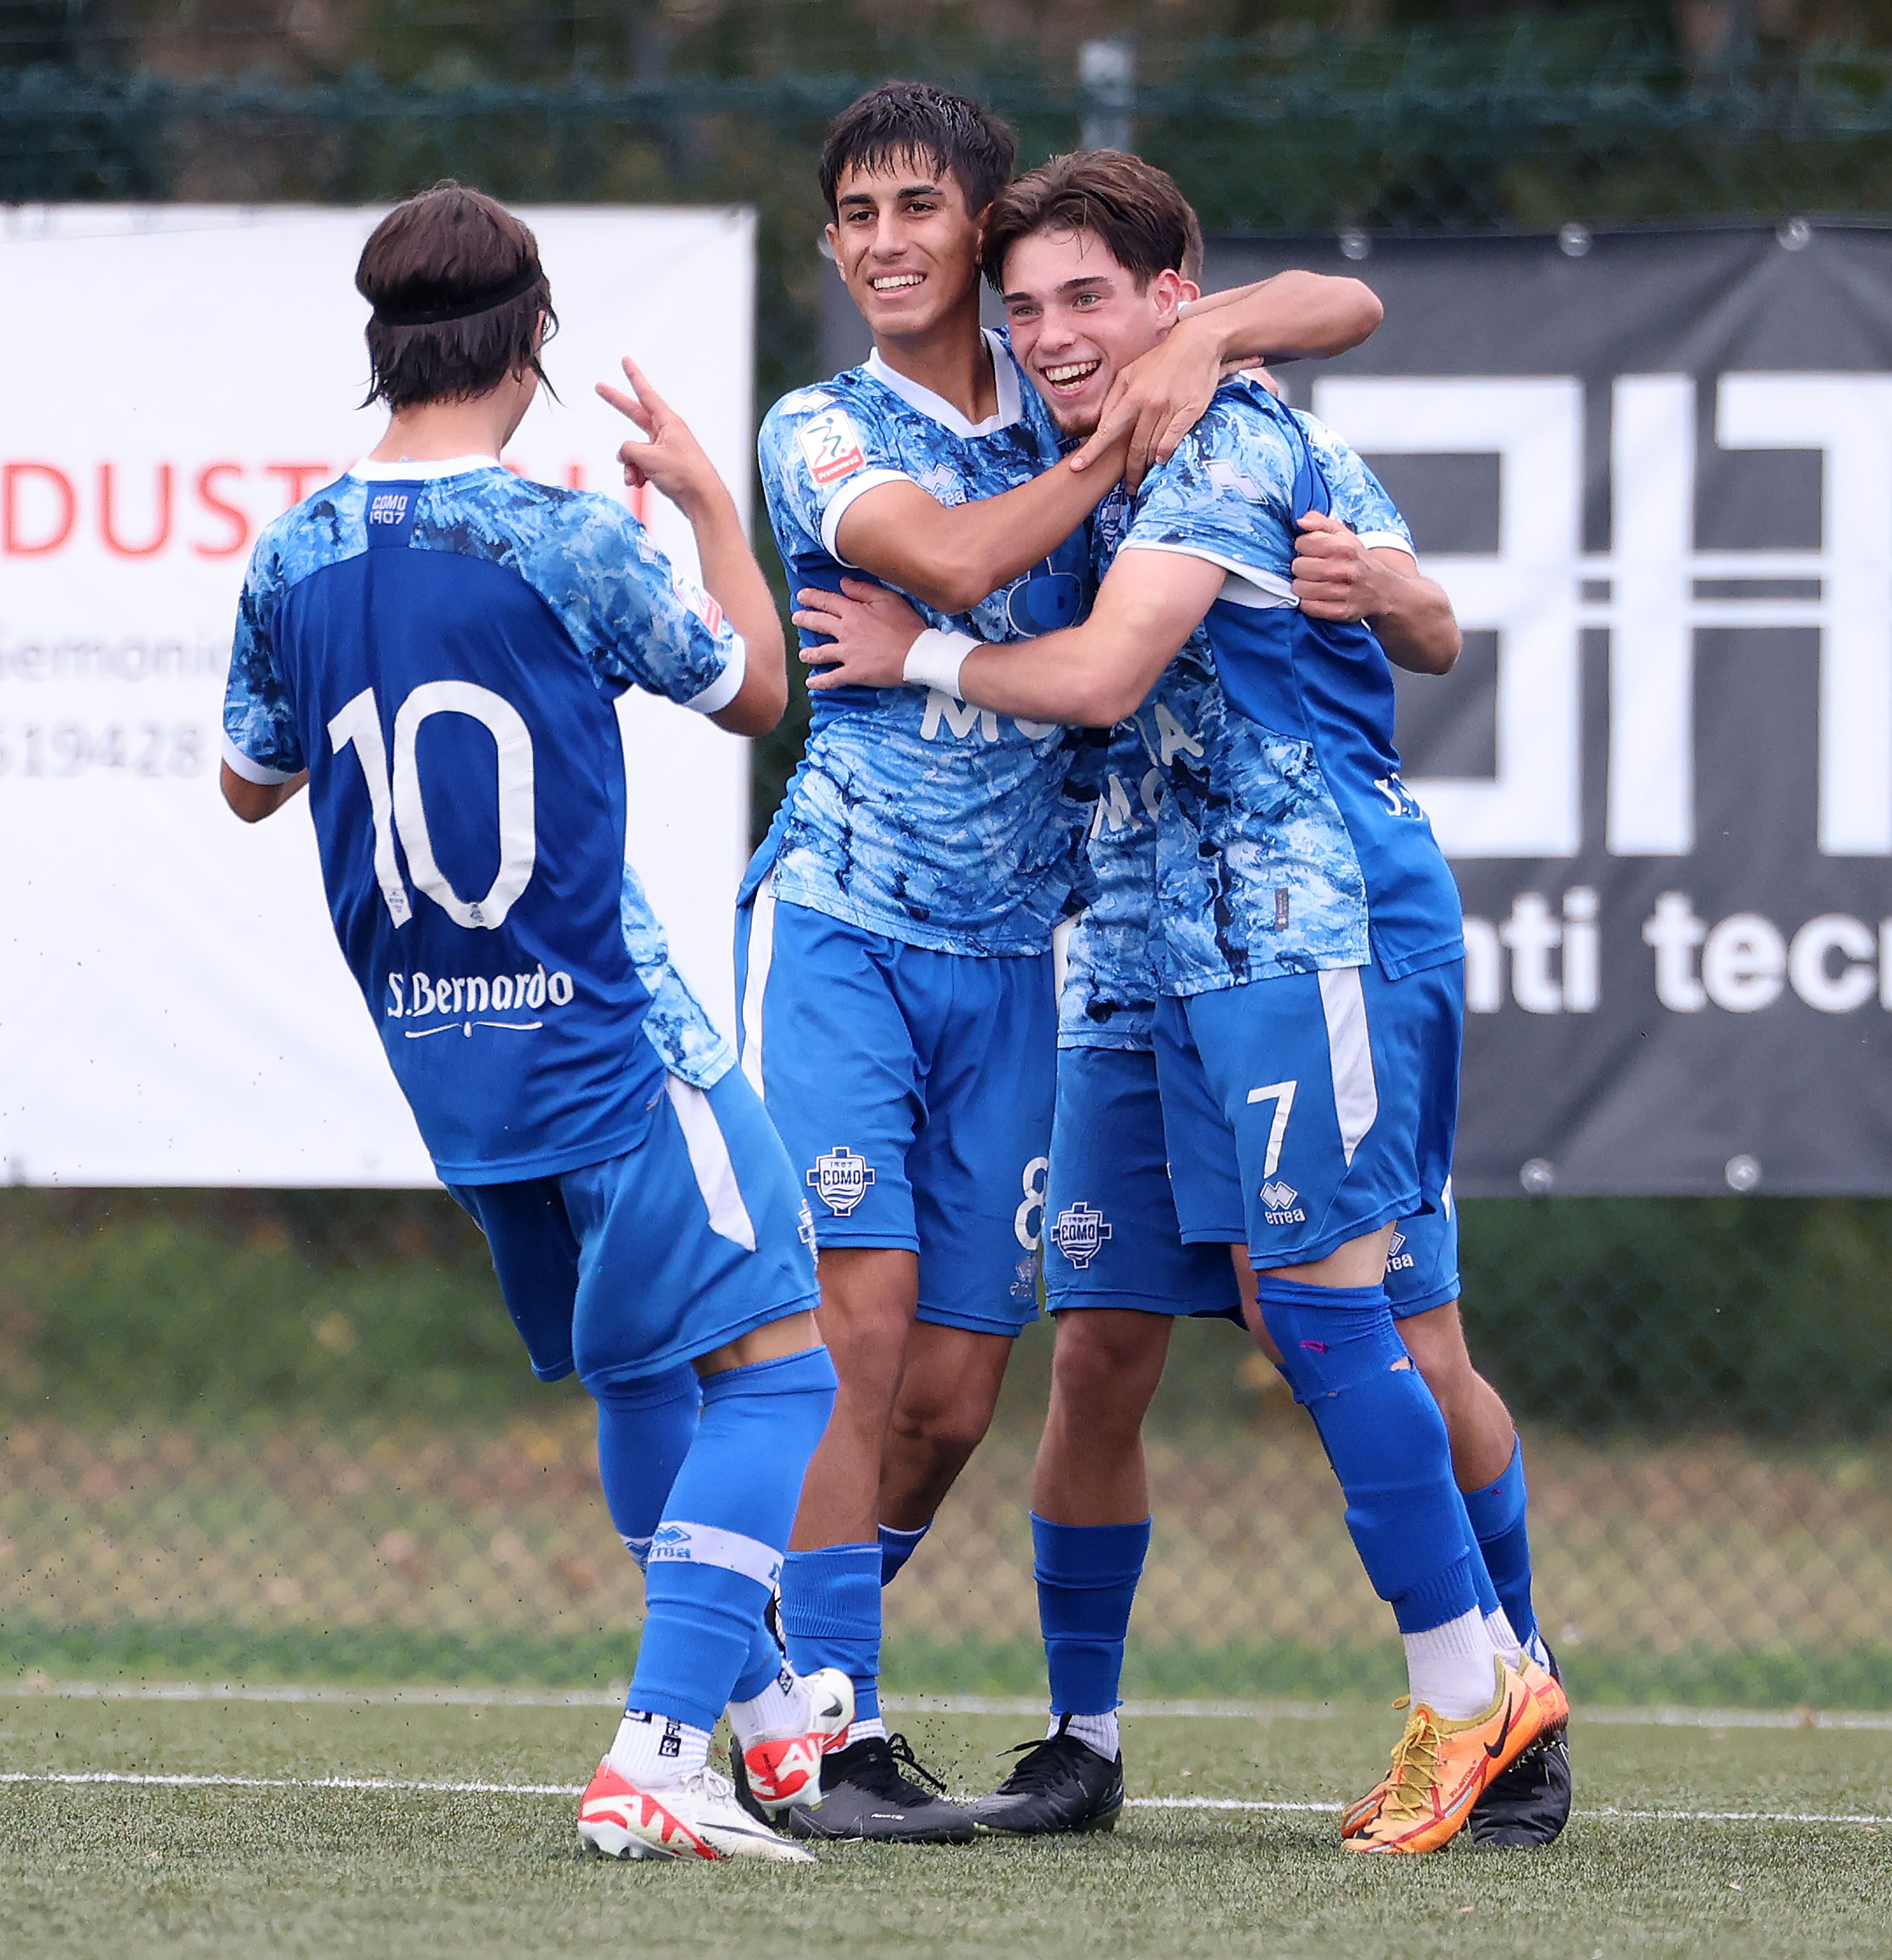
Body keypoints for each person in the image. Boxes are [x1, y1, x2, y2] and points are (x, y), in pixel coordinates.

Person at [792, 150, 1570, 1856]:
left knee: (1364, 1333)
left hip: (1308, 922)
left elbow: (1111, 674)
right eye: (1029, 307)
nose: (1056, 333)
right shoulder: (1071, 437)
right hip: (1133, 956)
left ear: (1174, 294)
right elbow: (1383, 564)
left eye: (1091, 299)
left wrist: (910, 653)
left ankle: (1491, 1690)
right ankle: (1085, 1742)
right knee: (1100, 1354)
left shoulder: (1227, 421)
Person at [737, 81, 1385, 1842]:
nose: (883, 243)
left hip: (1020, 952)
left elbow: (1343, 309)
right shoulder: (825, 426)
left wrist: (1212, 332)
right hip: (849, 929)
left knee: (951, 1393)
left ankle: (757, 1657)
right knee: (855, 1339)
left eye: (917, 212)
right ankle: (831, 1739)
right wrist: (1112, 454)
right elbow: (944, 563)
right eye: (855, 214)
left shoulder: (1071, 383)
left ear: (982, 232)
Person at [219, 181, 850, 1864]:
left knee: (648, 1376)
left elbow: (248, 781)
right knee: (783, 1376)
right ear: (535, 338)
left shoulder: (295, 551)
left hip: (458, 1065)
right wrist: (713, 505)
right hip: (620, 1040)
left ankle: (773, 1728)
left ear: (384, 349)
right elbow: (757, 691)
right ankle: (657, 1755)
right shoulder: (563, 533)